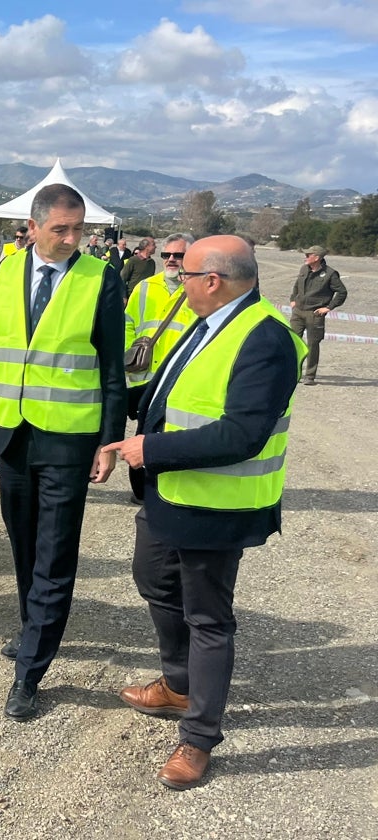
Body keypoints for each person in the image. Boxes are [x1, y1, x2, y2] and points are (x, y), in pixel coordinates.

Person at [103, 235, 305, 791]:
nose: (178, 280)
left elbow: (244, 433)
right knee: (152, 580)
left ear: (212, 280)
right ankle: (178, 684)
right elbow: (169, 397)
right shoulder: (210, 320)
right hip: (171, 493)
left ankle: (199, 737)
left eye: (186, 273)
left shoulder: (266, 339)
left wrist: (153, 450)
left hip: (217, 507)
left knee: (208, 620)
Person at [0, 183, 127, 721]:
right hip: (11, 434)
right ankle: (32, 625)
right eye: (61, 228)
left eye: (78, 228)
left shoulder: (100, 279)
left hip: (67, 441)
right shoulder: (6, 271)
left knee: (55, 554)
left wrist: (108, 442)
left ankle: (30, 671)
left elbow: (112, 371)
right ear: (32, 227)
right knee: (24, 544)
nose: (72, 238)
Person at [123, 234, 198, 502]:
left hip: (179, 378)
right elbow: (128, 322)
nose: (171, 260)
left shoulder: (197, 289)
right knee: (143, 434)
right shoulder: (145, 287)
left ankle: (169, 488)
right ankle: (141, 491)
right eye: (166, 255)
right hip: (144, 377)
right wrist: (130, 351)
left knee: (174, 434)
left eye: (178, 256)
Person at [288, 245, 346, 386]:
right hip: (298, 312)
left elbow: (342, 292)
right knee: (293, 342)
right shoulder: (304, 269)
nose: (305, 257)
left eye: (309, 255)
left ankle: (310, 376)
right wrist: (293, 300)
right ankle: (292, 373)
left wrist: (328, 307)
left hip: (315, 314)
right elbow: (297, 285)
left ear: (317, 258)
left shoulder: (330, 274)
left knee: (313, 345)